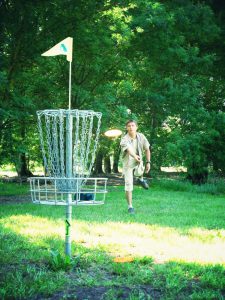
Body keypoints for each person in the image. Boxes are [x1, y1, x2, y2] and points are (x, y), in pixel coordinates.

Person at [120, 120, 151, 214]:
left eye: (133, 125)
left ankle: (141, 180)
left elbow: (147, 149)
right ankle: (130, 207)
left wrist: (148, 162)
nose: (131, 127)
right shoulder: (124, 139)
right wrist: (134, 156)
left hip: (139, 160)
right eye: (129, 126)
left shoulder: (141, 136)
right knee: (129, 185)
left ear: (136, 127)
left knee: (140, 172)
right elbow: (128, 149)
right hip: (128, 163)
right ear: (126, 128)